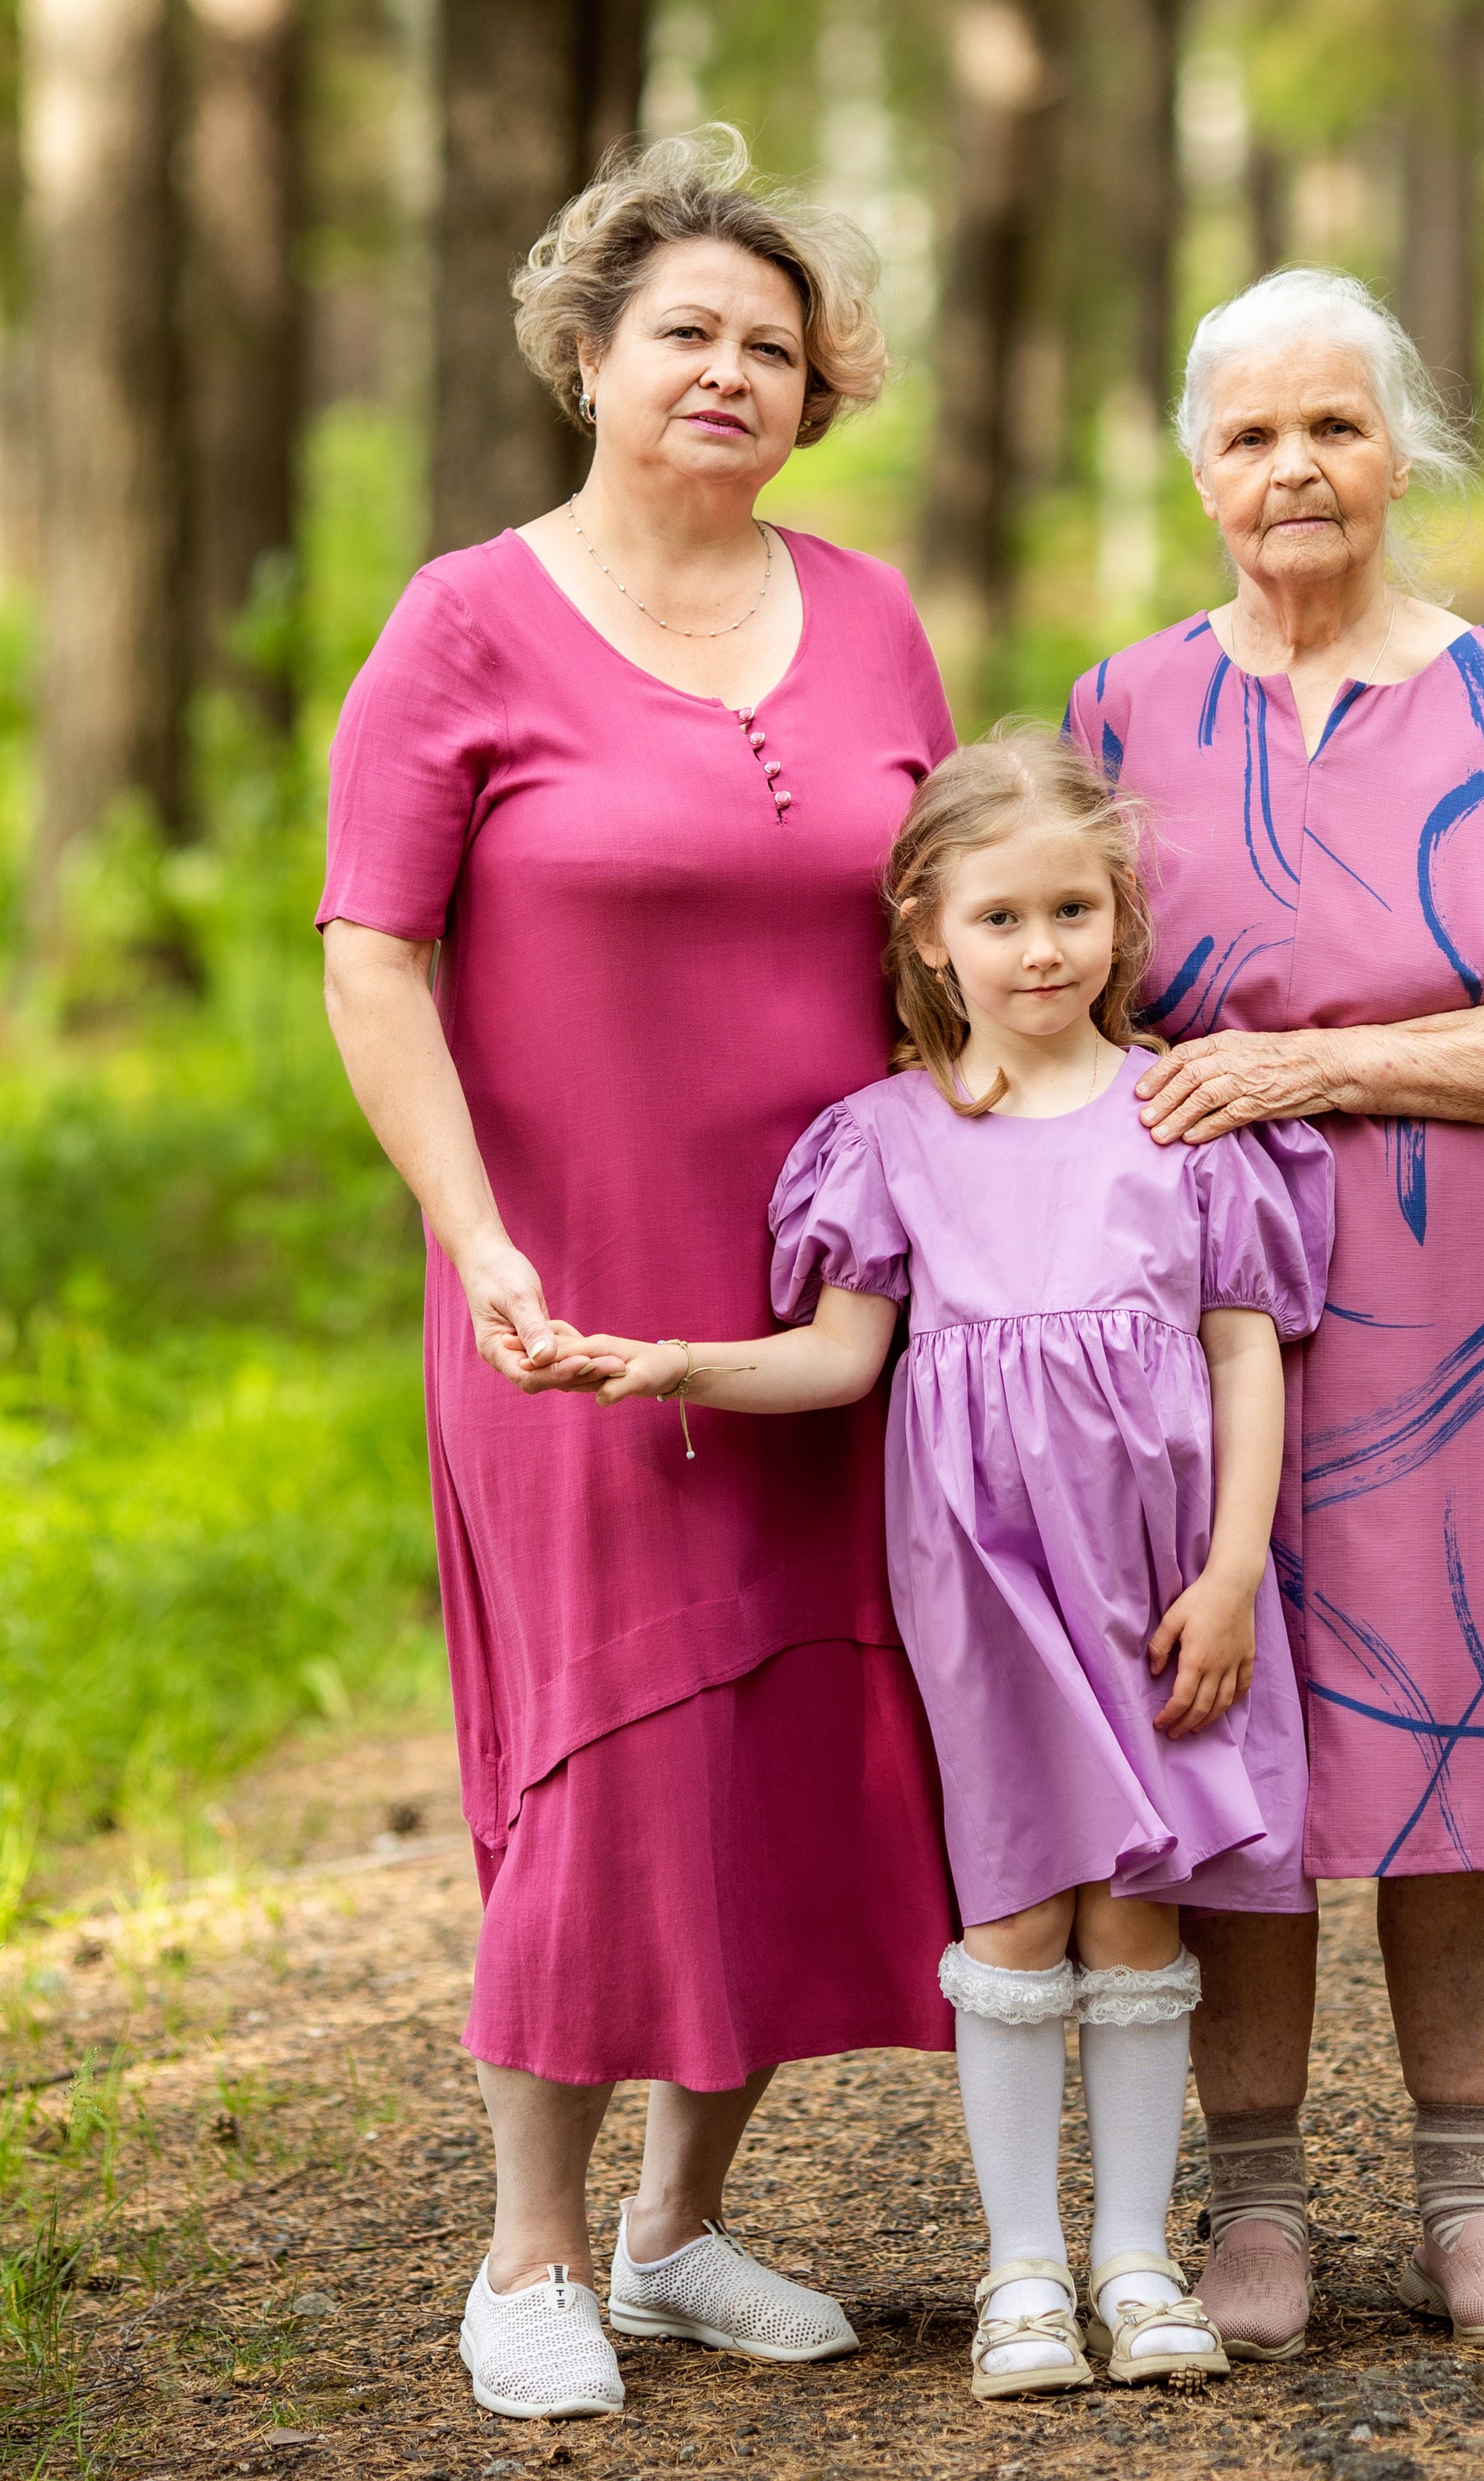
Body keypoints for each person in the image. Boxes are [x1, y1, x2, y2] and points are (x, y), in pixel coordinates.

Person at [318, 129, 960, 2426]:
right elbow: (373, 959)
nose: (729, 369)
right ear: (586, 356)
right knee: (600, 1735)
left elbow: (950, 930)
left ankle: (683, 2228)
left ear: (817, 398)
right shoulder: (464, 620)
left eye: (772, 347)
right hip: (561, 1291)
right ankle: (533, 2249)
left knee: (808, 1720)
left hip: (834, 1300)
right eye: (684, 328)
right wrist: (475, 1232)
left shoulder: (877, 616)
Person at [568, 728, 1333, 2404]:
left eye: (1073, 909)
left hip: (1156, 1578)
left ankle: (1134, 2258)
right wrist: (672, 1364)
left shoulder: (1183, 1112)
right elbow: (843, 1362)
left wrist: (1229, 1573)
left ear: (1119, 920)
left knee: (1137, 1905)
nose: (1041, 947)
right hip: (981, 1583)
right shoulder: (887, 1141)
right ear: (927, 930)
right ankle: (1023, 2271)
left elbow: (1242, 1354)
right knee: (1013, 1898)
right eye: (1002, 917)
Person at [1066, 266, 1484, 2360]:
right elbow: (1063, 1000)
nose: (1294, 468)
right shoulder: (1120, 707)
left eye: (1333, 426)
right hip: (1203, 1294)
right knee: (1230, 1744)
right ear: (1200, 476)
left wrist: (1320, 1067)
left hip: (1465, 1282)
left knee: (1459, 1723)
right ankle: (1253, 2219)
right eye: (1249, 436)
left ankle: (1476, 2205)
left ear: (1403, 452)